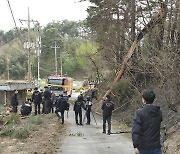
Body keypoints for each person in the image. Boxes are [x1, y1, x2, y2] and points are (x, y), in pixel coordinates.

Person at [132, 89, 162, 154]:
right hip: (156, 146)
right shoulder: (159, 112)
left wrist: (136, 146)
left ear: (144, 100)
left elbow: (136, 131)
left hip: (143, 147)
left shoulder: (139, 113)